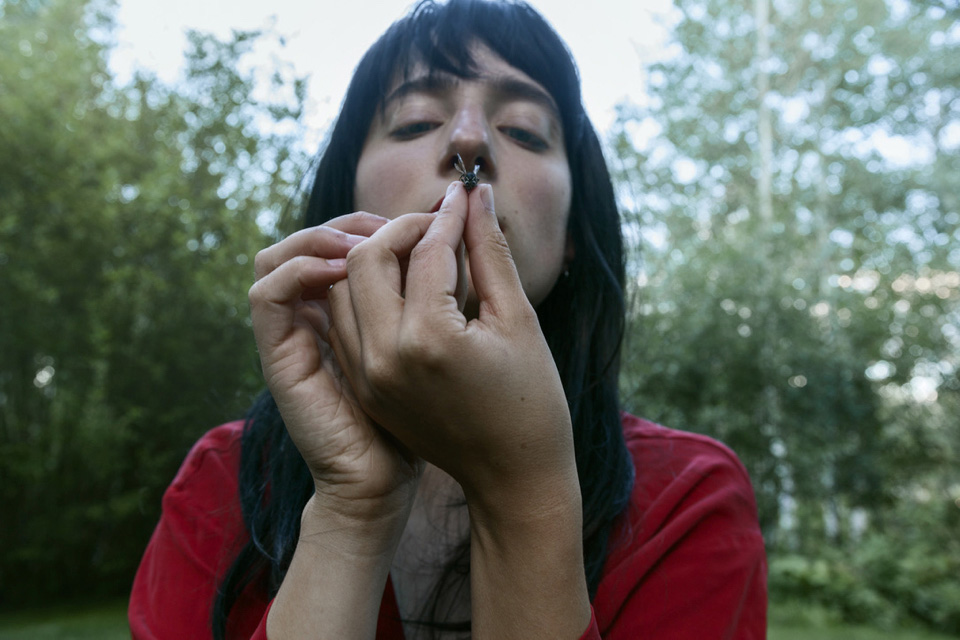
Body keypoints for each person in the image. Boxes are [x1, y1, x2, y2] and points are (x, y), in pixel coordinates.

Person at [128, 0, 768, 638]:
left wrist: (523, 495)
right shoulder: (220, 485)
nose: (469, 140)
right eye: (413, 122)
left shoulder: (688, 500)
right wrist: (352, 508)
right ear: (345, 204)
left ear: (573, 233)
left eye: (523, 129)